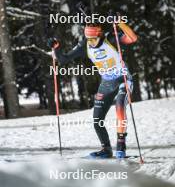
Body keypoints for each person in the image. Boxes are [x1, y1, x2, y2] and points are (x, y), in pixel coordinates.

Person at [48, 22, 137, 159]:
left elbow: (132, 38)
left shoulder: (110, 38)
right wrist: (56, 48)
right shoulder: (85, 44)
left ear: (100, 35)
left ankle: (121, 146)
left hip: (123, 79)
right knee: (97, 120)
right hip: (107, 83)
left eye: (94, 39)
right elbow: (64, 59)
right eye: (89, 39)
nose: (92, 42)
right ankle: (106, 150)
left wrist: (120, 23)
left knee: (119, 106)